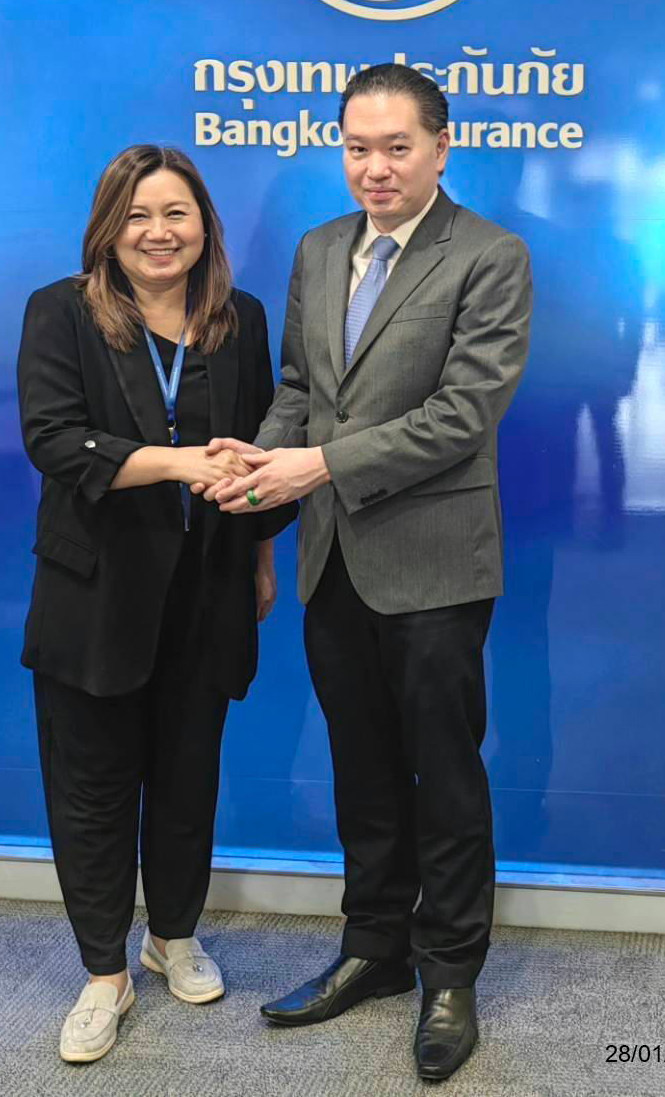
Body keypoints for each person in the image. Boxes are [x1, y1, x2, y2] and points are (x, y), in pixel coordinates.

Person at [203, 63, 532, 1083]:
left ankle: (450, 973)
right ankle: (376, 947)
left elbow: (461, 415)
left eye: (396, 146)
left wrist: (320, 466)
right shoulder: (319, 247)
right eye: (356, 146)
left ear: (441, 146)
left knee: (445, 772)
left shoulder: (489, 255)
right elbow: (301, 389)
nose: (374, 166)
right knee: (363, 768)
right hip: (332, 559)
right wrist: (261, 461)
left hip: (435, 562)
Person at [16, 144, 296, 1064]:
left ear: (205, 225)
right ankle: (105, 973)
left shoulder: (239, 319)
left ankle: (172, 933)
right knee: (92, 789)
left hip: (208, 587)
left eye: (177, 212)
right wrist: (178, 462)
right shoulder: (61, 311)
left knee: (187, 777)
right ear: (108, 228)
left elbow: (260, 447)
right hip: (96, 593)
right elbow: (55, 440)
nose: (158, 232)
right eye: (138, 215)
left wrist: (261, 557)